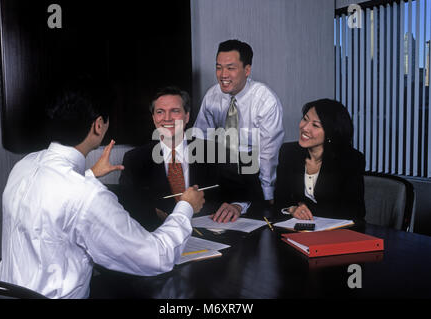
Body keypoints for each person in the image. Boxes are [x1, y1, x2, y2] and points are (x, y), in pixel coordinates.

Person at [0, 79, 205, 299]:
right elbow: (157, 257)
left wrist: (89, 175)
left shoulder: (25, 165)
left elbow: (55, 204)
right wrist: (186, 206)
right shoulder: (88, 195)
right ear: (98, 125)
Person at [119, 86, 251, 229]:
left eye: (175, 111)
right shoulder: (134, 159)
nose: (167, 118)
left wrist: (237, 206)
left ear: (187, 116)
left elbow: (245, 192)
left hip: (211, 236)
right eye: (160, 112)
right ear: (154, 118)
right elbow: (126, 207)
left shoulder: (215, 151)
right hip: (159, 239)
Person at [193, 39, 284, 208]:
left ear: (247, 70)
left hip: (252, 171)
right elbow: (201, 138)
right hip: (221, 168)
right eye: (218, 67)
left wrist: (267, 194)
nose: (223, 75)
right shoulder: (212, 95)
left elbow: (268, 153)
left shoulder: (265, 99)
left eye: (230, 68)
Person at [274, 99, 366, 223]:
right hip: (298, 230)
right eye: (305, 119)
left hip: (337, 234)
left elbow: (355, 210)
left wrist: (305, 206)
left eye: (315, 125)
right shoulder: (289, 152)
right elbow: (280, 199)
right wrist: (291, 209)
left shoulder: (350, 159)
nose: (305, 127)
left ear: (331, 133)